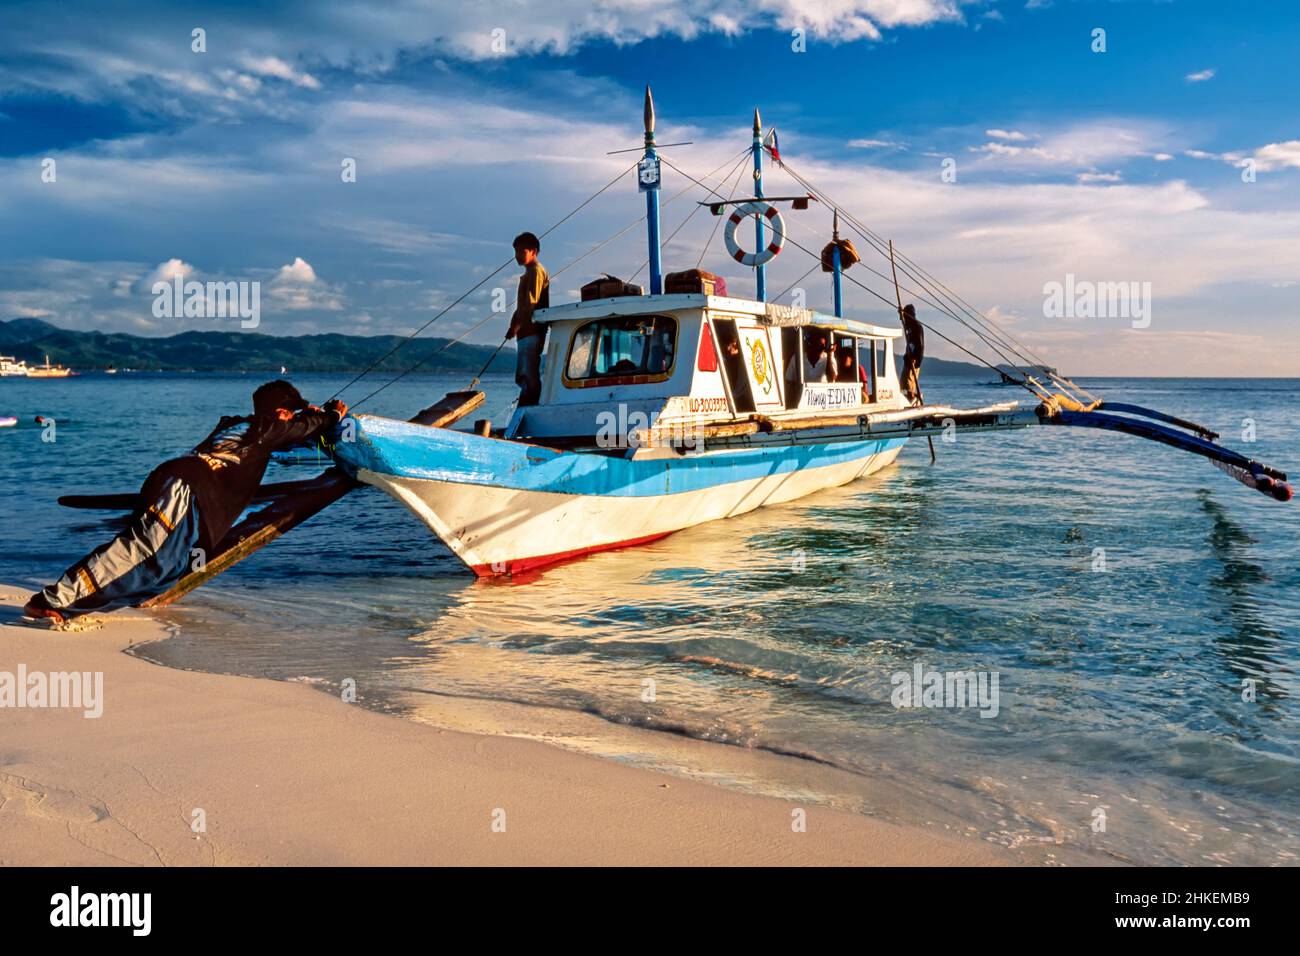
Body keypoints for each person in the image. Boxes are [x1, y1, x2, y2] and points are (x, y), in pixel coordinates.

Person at [23, 381, 347, 623]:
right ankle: (52, 599)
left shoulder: (243, 425)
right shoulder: (265, 427)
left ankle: (81, 603)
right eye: (291, 412)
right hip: (186, 488)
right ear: (281, 411)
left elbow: (292, 431)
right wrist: (331, 416)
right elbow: (299, 427)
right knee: (143, 552)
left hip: (182, 486)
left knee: (172, 565)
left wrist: (308, 419)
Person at [505, 231, 550, 406]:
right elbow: (521, 306)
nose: (517, 256)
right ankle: (525, 406)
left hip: (532, 331)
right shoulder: (528, 273)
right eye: (516, 252)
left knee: (528, 374)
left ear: (533, 251)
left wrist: (518, 324)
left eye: (521, 252)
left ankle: (532, 407)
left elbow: (530, 304)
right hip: (525, 331)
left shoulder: (536, 271)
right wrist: (513, 325)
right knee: (522, 374)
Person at [899, 303, 925, 404]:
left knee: (906, 385)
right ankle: (913, 398)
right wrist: (900, 313)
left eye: (906, 315)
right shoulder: (908, 325)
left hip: (913, 361)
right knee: (903, 386)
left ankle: (913, 399)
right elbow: (903, 321)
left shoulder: (916, 326)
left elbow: (920, 345)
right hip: (908, 360)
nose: (905, 318)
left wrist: (915, 358)